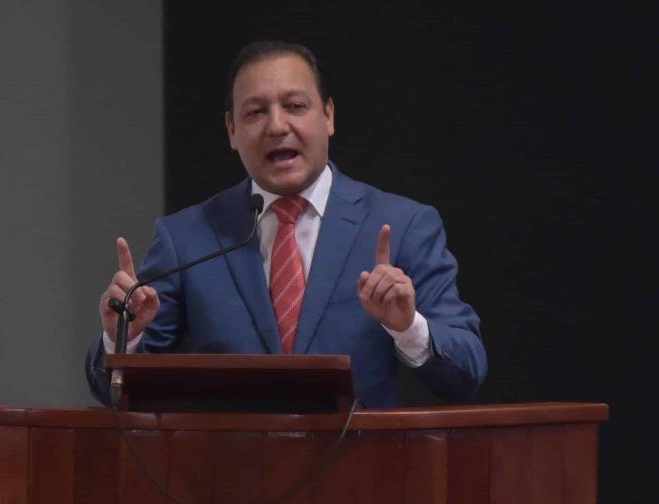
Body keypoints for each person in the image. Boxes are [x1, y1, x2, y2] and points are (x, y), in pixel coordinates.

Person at [85, 41, 487, 408]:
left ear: (328, 116)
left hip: (362, 461)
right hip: (229, 463)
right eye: (256, 112)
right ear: (231, 130)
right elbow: (114, 393)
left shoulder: (403, 224)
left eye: (295, 106)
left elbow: (467, 372)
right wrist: (125, 336)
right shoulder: (186, 238)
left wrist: (407, 327)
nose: (277, 126)